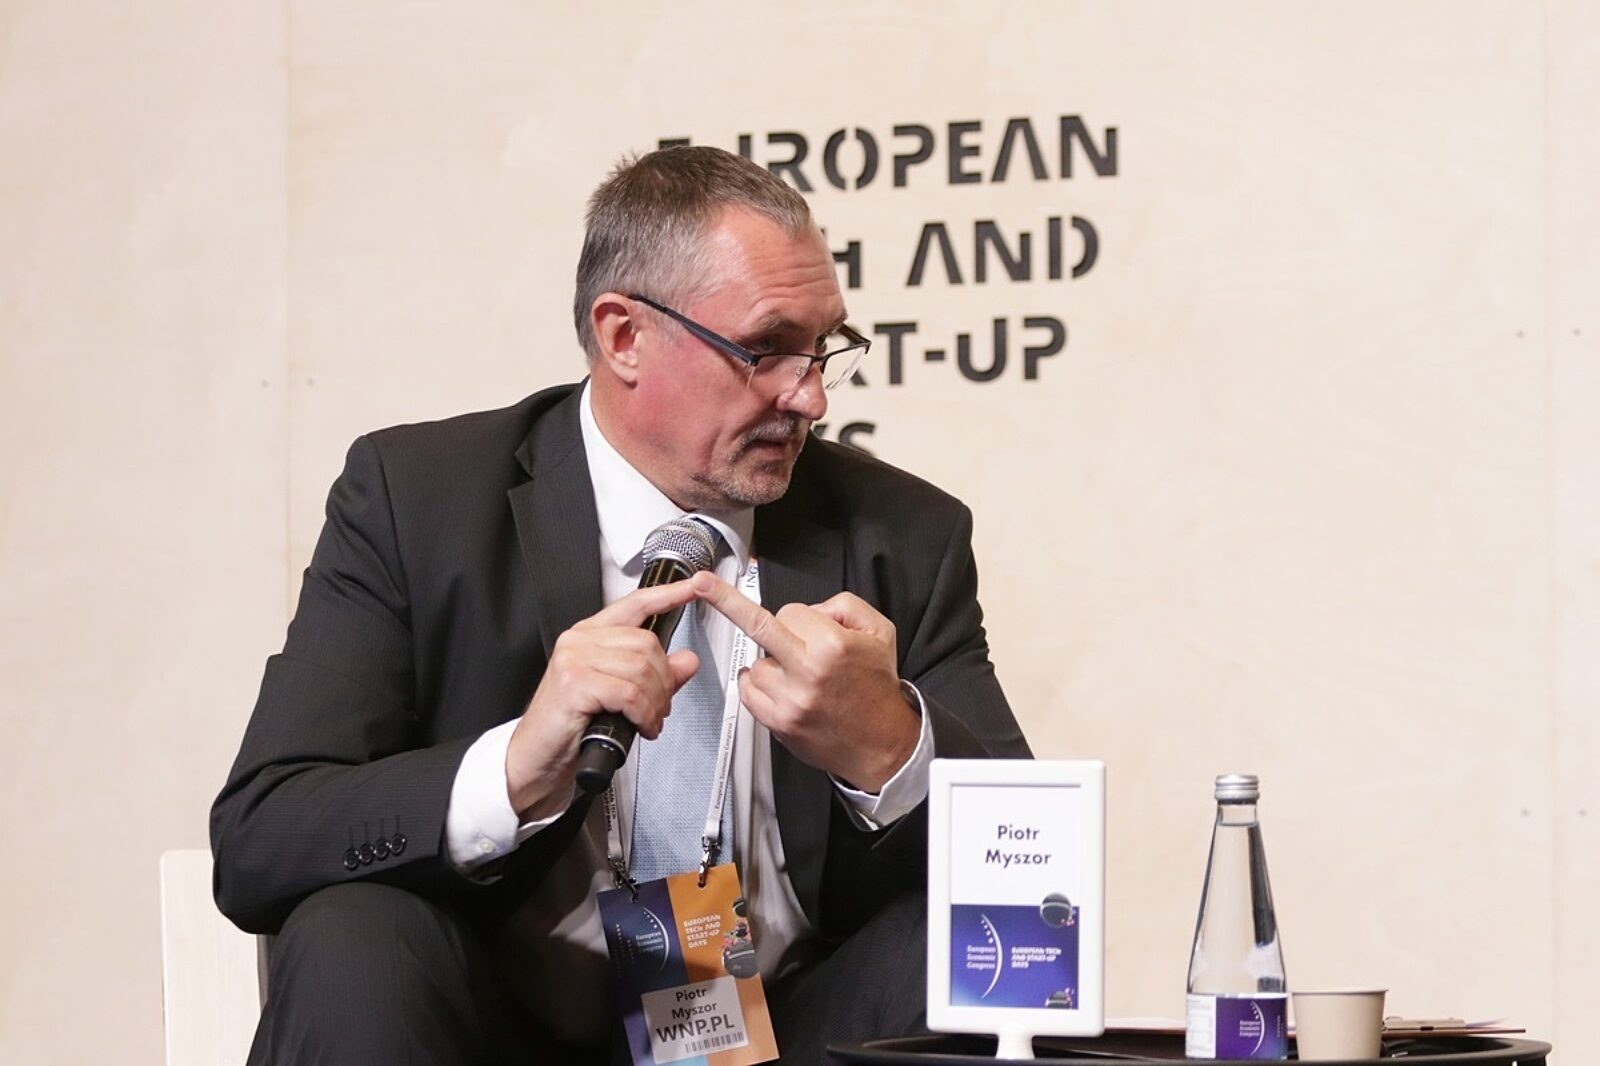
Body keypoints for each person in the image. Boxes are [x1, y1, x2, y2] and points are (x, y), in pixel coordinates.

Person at [212, 145, 1028, 1065]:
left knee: (968, 945)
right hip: (494, 1039)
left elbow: (1037, 866)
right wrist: (514, 769)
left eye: (823, 348)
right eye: (765, 349)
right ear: (624, 335)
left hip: (794, 1036)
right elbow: (262, 836)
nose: (810, 396)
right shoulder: (418, 502)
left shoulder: (900, 534)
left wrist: (889, 748)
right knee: (352, 935)